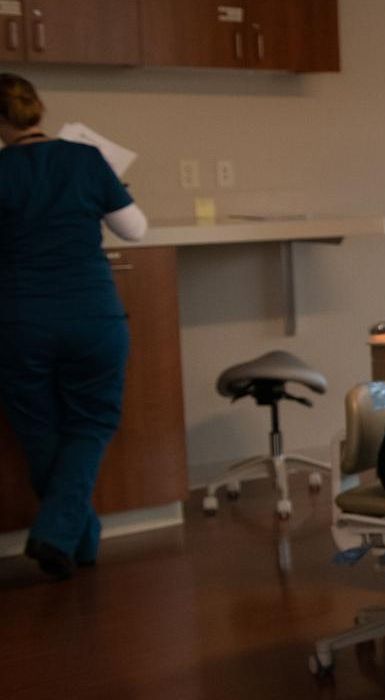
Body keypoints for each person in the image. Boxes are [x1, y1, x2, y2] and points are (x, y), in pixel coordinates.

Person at [0, 73, 148, 581]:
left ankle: (69, 537)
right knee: (91, 423)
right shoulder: (85, 159)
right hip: (93, 318)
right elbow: (135, 229)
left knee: (38, 429)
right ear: (37, 110)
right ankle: (68, 538)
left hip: (21, 322)